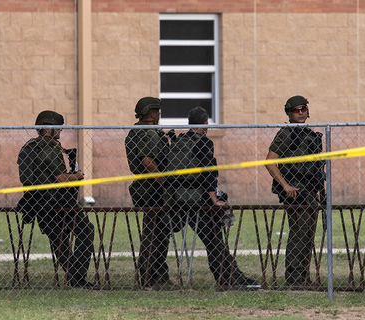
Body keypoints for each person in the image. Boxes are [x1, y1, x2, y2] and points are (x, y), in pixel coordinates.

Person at [167, 106, 259, 289]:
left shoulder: (178, 142)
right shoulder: (203, 143)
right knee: (214, 240)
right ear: (205, 123)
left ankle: (231, 276)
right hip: (198, 201)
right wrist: (214, 199)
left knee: (213, 240)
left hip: (178, 200)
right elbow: (208, 174)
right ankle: (229, 279)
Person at [16, 110, 95, 289]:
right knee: (86, 231)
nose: (60, 131)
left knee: (58, 239)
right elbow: (60, 178)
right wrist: (77, 176)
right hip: (58, 203)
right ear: (47, 129)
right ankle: (78, 277)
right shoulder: (50, 149)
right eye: (57, 128)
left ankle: (74, 277)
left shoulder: (28, 148)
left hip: (35, 203)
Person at [264, 95, 325, 287]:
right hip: (294, 191)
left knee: (308, 236)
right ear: (289, 113)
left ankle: (303, 276)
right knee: (299, 234)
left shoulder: (310, 135)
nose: (300, 113)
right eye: (296, 110)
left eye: (303, 109)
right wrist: (285, 185)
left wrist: (317, 191)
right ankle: (294, 279)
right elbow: (270, 161)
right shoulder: (286, 133)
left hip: (309, 191)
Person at [124, 97, 174, 287]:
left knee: (154, 232)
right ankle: (152, 276)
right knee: (157, 234)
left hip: (146, 187)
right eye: (158, 112)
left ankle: (151, 275)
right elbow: (147, 162)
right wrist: (164, 182)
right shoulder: (149, 133)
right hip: (153, 188)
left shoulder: (137, 131)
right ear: (152, 113)